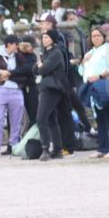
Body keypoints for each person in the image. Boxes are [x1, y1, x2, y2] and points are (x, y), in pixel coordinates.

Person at [79, 26, 109, 158]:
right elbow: (82, 72)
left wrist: (101, 75)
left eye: (98, 35)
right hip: (92, 87)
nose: (96, 38)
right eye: (93, 36)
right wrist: (83, 62)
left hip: (106, 85)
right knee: (99, 118)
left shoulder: (108, 48)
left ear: (103, 37)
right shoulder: (89, 53)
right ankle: (102, 147)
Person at [0, 35, 26, 157]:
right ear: (9, 44)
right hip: (1, 90)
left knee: (16, 120)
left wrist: (10, 75)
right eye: (16, 44)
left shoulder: (19, 57)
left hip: (16, 90)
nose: (17, 47)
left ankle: (14, 145)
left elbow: (26, 73)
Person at [36, 30, 69, 161]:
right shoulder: (46, 53)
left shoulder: (56, 52)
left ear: (53, 39)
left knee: (41, 118)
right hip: (48, 86)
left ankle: (45, 148)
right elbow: (35, 68)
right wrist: (39, 66)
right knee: (51, 119)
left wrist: (40, 66)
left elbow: (43, 69)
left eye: (46, 37)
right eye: (43, 37)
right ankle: (57, 149)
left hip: (53, 88)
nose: (44, 39)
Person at [15, 36, 40, 126]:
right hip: (19, 87)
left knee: (33, 112)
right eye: (31, 46)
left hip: (30, 86)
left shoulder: (32, 56)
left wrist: (19, 70)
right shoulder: (16, 55)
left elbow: (30, 70)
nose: (33, 49)